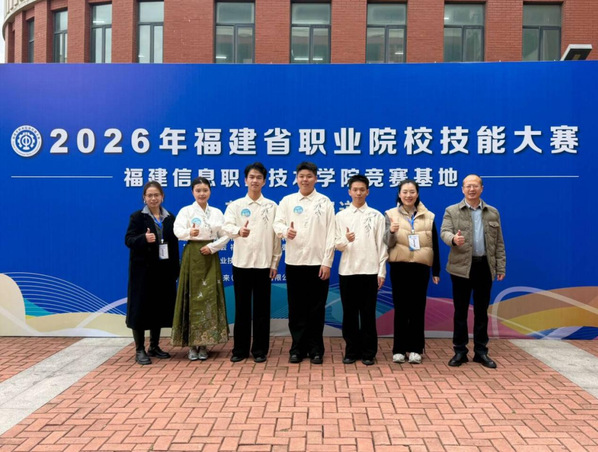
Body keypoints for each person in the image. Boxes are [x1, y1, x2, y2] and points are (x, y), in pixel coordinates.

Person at [440, 174, 506, 369]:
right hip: (461, 268)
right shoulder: (452, 210)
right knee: (460, 311)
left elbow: (499, 242)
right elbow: (444, 232)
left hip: (484, 266)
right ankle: (460, 351)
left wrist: (500, 266)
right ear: (462, 189)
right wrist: (453, 239)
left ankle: (481, 351)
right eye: (468, 186)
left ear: (481, 188)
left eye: (475, 186)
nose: (471, 189)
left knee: (481, 312)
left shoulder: (492, 212)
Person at [273, 161, 335, 364]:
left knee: (317, 308)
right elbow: (277, 224)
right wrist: (285, 231)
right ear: (296, 178)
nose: (305, 180)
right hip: (295, 262)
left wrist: (327, 262)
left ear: (315, 178)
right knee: (296, 307)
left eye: (309, 176)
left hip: (318, 263)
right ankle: (297, 348)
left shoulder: (325, 202)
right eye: (301, 176)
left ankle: (316, 349)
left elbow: (331, 234)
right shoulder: (287, 201)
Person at [223, 162, 282, 363]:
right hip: (242, 264)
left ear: (264, 181)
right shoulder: (235, 206)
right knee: (242, 308)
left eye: (258, 177)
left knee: (262, 309)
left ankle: (259, 350)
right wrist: (238, 231)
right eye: (251, 177)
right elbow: (226, 227)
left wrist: (275, 263)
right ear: (245, 180)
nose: (255, 180)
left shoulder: (272, 207)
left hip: (264, 265)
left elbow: (276, 238)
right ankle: (239, 350)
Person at [171, 177, 230, 361]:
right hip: (192, 255)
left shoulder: (217, 212)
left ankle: (205, 343)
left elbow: (226, 235)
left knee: (208, 297)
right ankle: (191, 344)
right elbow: (177, 231)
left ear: (210, 191)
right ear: (192, 192)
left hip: (209, 255)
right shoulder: (186, 211)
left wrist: (212, 247)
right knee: (191, 297)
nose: (202, 193)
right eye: (198, 190)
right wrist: (189, 232)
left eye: (205, 190)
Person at [384, 179, 440, 365]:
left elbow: (434, 244)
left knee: (417, 308)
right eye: (405, 192)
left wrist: (436, 270)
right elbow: (386, 243)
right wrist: (392, 232)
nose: (408, 195)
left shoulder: (428, 216)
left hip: (420, 267)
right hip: (399, 267)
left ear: (417, 194)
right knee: (401, 309)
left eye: (412, 192)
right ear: (399, 194)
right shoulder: (390, 214)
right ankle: (399, 349)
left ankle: (416, 349)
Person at [334, 174, 387, 366]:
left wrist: (381, 271)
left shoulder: (376, 216)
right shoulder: (341, 216)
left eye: (362, 190)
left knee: (368, 314)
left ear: (367, 192)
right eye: (355, 190)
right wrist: (345, 239)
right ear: (349, 192)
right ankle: (351, 351)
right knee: (349, 314)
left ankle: (368, 352)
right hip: (347, 271)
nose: (358, 193)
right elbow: (336, 244)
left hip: (370, 271)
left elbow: (382, 246)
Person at [125, 181, 179, 365]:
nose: (153, 198)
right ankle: (139, 349)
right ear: (144, 198)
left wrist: (175, 269)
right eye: (150, 195)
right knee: (140, 310)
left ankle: (154, 346)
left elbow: (173, 246)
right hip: (143, 272)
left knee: (158, 308)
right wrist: (143, 238)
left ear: (162, 197)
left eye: (156, 195)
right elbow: (128, 240)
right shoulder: (137, 217)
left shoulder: (169, 217)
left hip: (163, 272)